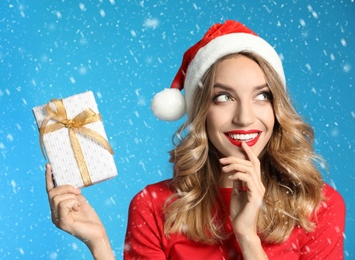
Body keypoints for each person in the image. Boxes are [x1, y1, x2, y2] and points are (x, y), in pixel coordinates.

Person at [45, 20, 345, 259]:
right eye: (223, 97)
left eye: (262, 96)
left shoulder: (319, 207)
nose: (244, 117)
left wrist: (248, 238)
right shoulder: (152, 206)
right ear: (200, 110)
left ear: (276, 107)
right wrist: (98, 243)